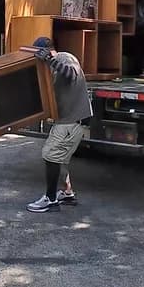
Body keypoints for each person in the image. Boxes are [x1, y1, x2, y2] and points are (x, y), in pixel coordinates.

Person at [27, 36, 93, 213]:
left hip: (73, 121)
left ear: (47, 50)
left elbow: (71, 74)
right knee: (60, 159)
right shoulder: (51, 67)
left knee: (50, 155)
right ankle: (67, 193)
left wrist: (49, 59)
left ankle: (50, 200)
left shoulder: (64, 58)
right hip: (67, 120)